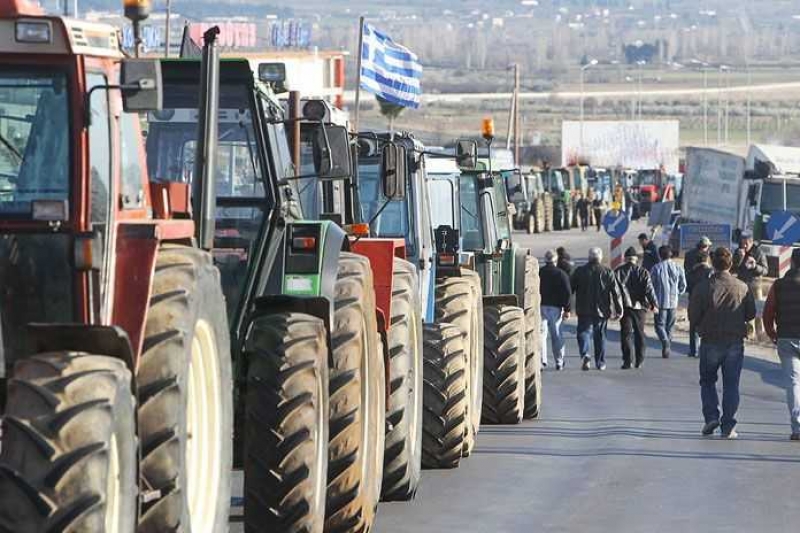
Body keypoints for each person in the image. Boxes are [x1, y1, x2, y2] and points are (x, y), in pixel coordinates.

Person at [689, 248, 756, 439]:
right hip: (734, 341)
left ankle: (711, 416)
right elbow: (750, 314)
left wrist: (701, 325)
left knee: (708, 381)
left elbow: (693, 316)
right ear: (731, 264)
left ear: (712, 262)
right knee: (731, 384)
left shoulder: (702, 287)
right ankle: (728, 426)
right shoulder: (742, 287)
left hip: (710, 340)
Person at [762, 249, 800, 441]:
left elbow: (768, 312)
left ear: (792, 263)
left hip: (786, 338)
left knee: (793, 383)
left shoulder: (778, 285)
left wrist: (772, 334)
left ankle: (797, 427)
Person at [571, 247, 624, 371]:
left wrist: (566, 306)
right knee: (600, 336)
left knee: (583, 333)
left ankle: (585, 355)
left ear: (589, 257)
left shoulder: (580, 271)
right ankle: (600, 363)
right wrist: (619, 309)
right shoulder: (607, 272)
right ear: (600, 258)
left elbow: (570, 289)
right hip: (602, 310)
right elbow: (616, 292)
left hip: (583, 309)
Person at [615, 247, 659, 369]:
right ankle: (639, 360)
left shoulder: (618, 272)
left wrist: (613, 307)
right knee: (640, 333)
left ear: (625, 259)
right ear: (636, 259)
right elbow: (649, 290)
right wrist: (654, 304)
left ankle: (627, 361)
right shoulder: (643, 272)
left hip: (624, 307)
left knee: (626, 334)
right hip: (640, 308)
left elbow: (614, 291)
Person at [651, 245, 687, 358]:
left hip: (660, 301)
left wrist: (652, 299)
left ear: (660, 255)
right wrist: (677, 294)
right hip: (673, 301)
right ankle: (667, 344)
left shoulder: (656, 268)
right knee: (670, 325)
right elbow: (683, 285)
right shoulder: (678, 267)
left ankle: (665, 341)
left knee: (659, 325)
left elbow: (650, 286)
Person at [540, 250, 572, 370]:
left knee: (541, 335)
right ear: (555, 260)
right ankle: (559, 361)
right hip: (556, 308)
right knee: (556, 335)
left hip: (541, 307)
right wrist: (567, 309)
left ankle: (542, 361)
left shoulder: (539, 272)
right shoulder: (561, 274)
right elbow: (567, 292)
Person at [687, 250, 714, 358]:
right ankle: (706, 349)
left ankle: (694, 350)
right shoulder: (710, 272)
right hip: (708, 303)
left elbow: (687, 287)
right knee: (708, 325)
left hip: (693, 302)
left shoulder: (691, 272)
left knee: (693, 326)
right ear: (707, 259)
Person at [734, 232, 768, 299]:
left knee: (758, 306)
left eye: (746, 244)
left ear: (751, 243)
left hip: (755, 286)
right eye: (742, 243)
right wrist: (739, 258)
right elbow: (733, 268)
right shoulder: (738, 251)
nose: (744, 246)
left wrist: (755, 267)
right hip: (741, 284)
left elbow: (765, 270)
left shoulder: (759, 253)